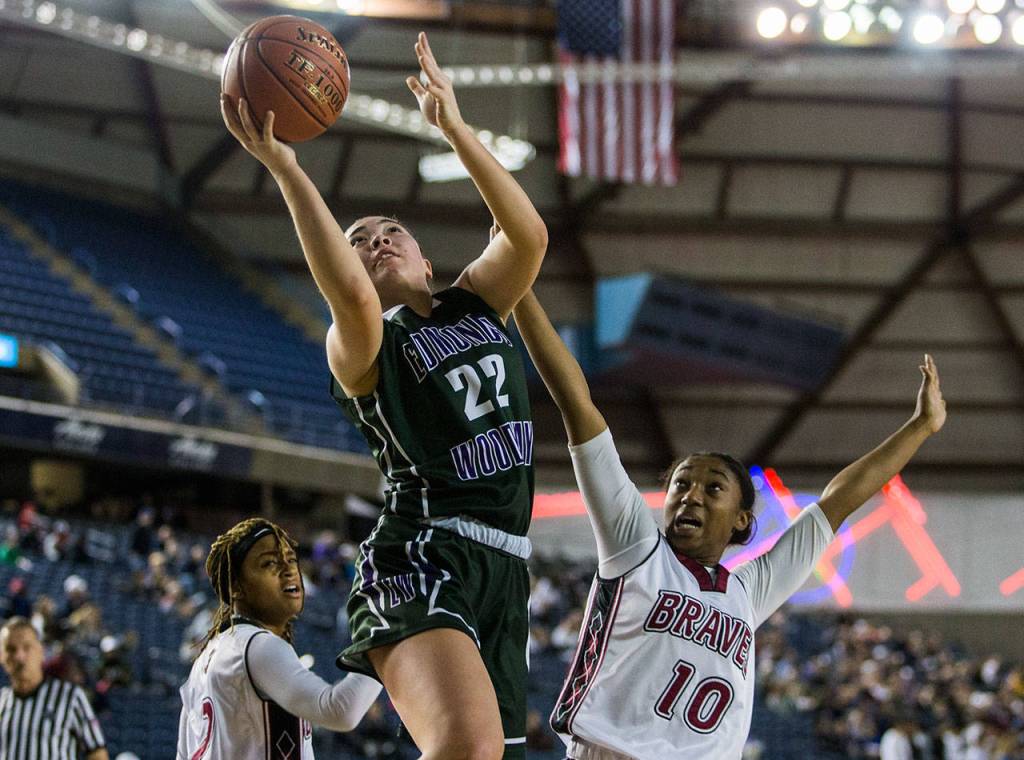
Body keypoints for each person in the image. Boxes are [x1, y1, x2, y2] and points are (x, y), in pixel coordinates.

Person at [220, 31, 547, 760]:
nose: (377, 241)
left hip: (508, 568)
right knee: (467, 747)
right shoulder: (363, 343)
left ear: (428, 259)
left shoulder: (475, 305)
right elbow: (350, 298)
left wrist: (454, 127)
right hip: (423, 554)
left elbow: (526, 237)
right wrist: (286, 169)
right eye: (360, 238)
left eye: (392, 230)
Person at [512, 290, 947, 760]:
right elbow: (578, 405)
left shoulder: (749, 591)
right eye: (681, 484)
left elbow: (837, 501)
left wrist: (921, 426)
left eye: (712, 487)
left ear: (742, 519)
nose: (691, 494)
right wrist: (520, 291)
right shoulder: (635, 546)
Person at [176, 518, 382, 759]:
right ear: (236, 586)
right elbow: (340, 711)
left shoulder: (204, 660)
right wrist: (384, 642)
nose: (288, 572)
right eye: (269, 564)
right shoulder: (258, 645)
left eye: (290, 561)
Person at [0, 616, 108, 760]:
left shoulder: (70, 697)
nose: (20, 656)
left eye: (27, 647)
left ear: (41, 651)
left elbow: (97, 754)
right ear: (2, 656)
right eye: (11, 649)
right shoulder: (2, 701)